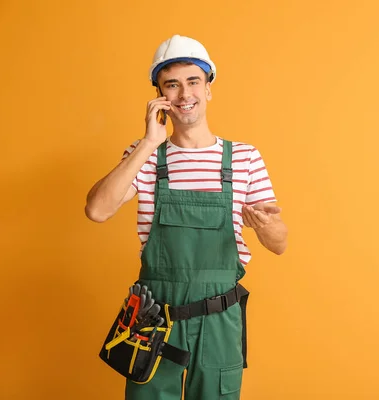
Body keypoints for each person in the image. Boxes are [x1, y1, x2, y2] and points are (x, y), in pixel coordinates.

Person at [85, 34, 288, 400]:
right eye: (172, 85)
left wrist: (268, 226)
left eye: (193, 81)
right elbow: (97, 210)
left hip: (219, 319)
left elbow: (279, 245)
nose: (184, 94)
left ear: (209, 88)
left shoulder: (244, 158)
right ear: (159, 95)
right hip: (154, 318)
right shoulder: (145, 156)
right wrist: (148, 142)